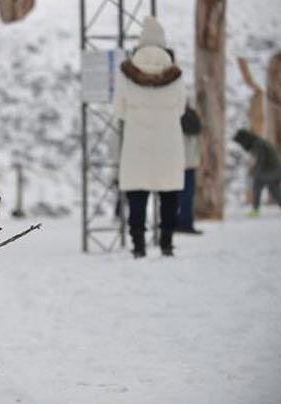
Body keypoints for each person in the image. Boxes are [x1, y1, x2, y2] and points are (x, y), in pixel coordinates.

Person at [113, 16, 186, 258]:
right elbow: (181, 108)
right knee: (169, 197)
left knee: (137, 196)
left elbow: (119, 109)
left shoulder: (126, 73)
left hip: (137, 143)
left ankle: (138, 246)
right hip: (169, 144)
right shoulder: (175, 74)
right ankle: (166, 243)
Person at [232, 129, 281, 215]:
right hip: (275, 169)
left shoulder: (258, 144)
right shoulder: (258, 142)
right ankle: (256, 209)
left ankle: (255, 210)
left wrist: (254, 170)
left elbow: (261, 160)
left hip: (270, 169)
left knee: (257, 186)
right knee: (274, 190)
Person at [176, 102, 204, 234]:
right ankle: (184, 223)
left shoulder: (178, 117)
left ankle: (181, 223)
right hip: (186, 163)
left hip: (181, 163)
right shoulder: (190, 116)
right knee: (185, 196)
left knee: (180, 196)